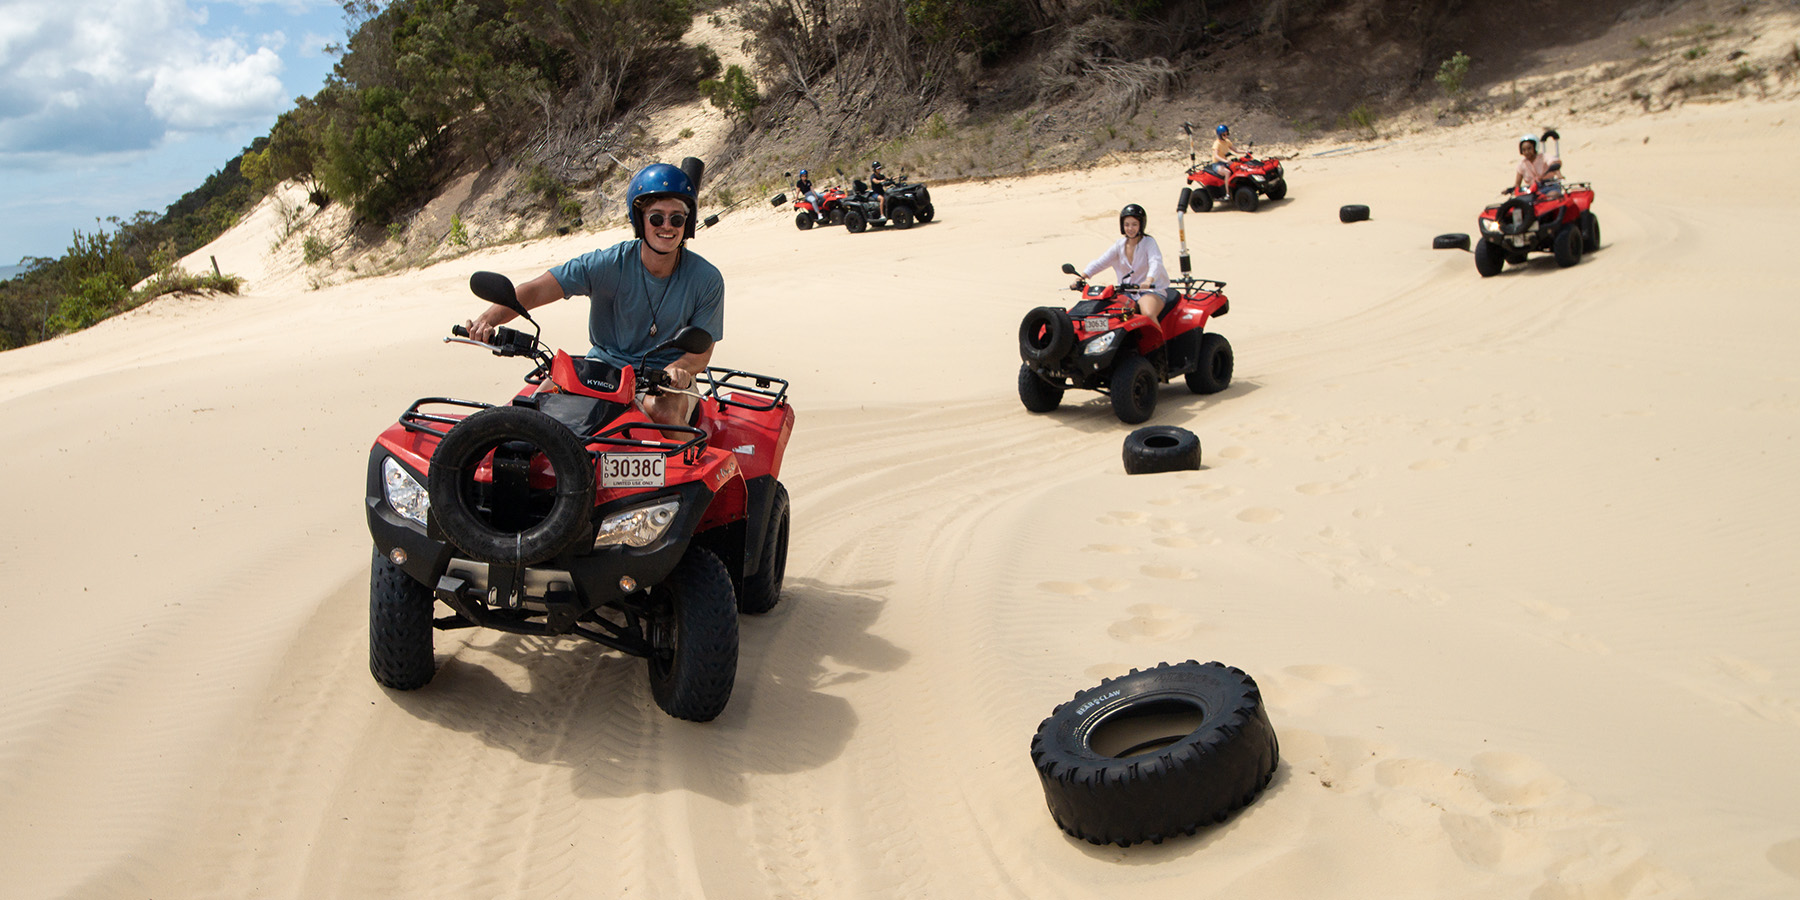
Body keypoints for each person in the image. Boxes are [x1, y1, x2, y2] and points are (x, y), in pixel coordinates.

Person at [464, 163, 723, 426]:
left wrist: (677, 369)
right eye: (657, 218)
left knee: (665, 414)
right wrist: (488, 319)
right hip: (601, 368)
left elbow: (701, 353)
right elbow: (538, 289)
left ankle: (695, 459)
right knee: (535, 410)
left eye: (676, 219)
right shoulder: (607, 264)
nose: (666, 226)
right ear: (640, 220)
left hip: (661, 379)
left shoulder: (706, 279)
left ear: (687, 223)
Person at [1072, 203, 1171, 319]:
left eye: (1134, 224)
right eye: (1127, 224)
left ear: (1141, 225)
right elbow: (1100, 262)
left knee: (1148, 314)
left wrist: (1149, 280)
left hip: (1150, 291)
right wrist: (1082, 276)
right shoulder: (1119, 245)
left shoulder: (1149, 242)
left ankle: (1158, 337)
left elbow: (1156, 262)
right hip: (1126, 293)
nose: (1130, 228)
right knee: (1112, 315)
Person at [1511, 131, 1563, 196]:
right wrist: (1510, 190)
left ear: (1535, 147)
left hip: (1549, 186)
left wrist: (1559, 175)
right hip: (1533, 190)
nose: (1527, 152)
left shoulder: (1544, 157)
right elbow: (1517, 184)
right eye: (1524, 150)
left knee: (1552, 196)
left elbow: (1553, 164)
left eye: (1529, 149)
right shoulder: (1522, 164)